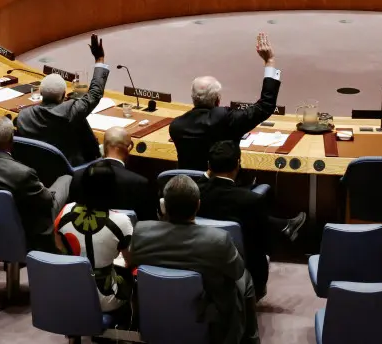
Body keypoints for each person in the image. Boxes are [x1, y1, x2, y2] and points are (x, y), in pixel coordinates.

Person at [128, 174, 258, 344]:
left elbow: (134, 262)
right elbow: (237, 271)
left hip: (155, 312)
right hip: (207, 318)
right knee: (245, 278)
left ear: (164, 205)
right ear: (198, 205)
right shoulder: (218, 239)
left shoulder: (141, 231)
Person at [199, 140, 306, 300]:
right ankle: (284, 228)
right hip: (244, 270)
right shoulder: (251, 200)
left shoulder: (194, 193)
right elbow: (262, 245)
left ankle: (284, 227)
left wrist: (209, 172)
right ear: (238, 165)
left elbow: (201, 182)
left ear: (209, 165)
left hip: (203, 263)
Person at [170, 33, 282, 171]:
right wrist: (269, 61)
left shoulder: (176, 126)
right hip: (226, 187)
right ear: (218, 100)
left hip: (191, 189)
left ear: (193, 98)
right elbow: (265, 105)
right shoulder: (226, 120)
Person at [0, 115, 71, 253]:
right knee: (66, 179)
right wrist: (41, 186)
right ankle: (60, 244)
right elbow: (47, 200)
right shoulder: (23, 173)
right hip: (25, 229)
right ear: (11, 138)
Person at [54, 159, 135, 312]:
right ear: (112, 188)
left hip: (68, 291)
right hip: (104, 298)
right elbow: (131, 260)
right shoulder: (121, 221)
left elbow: (59, 249)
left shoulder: (65, 211)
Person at [16, 35, 109, 166]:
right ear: (65, 95)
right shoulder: (70, 112)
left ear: (41, 93)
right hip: (69, 172)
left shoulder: (23, 117)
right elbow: (95, 93)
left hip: (37, 170)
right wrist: (99, 59)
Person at [73, 126, 157, 221]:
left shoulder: (77, 176)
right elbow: (148, 223)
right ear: (129, 147)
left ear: (103, 146)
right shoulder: (139, 183)